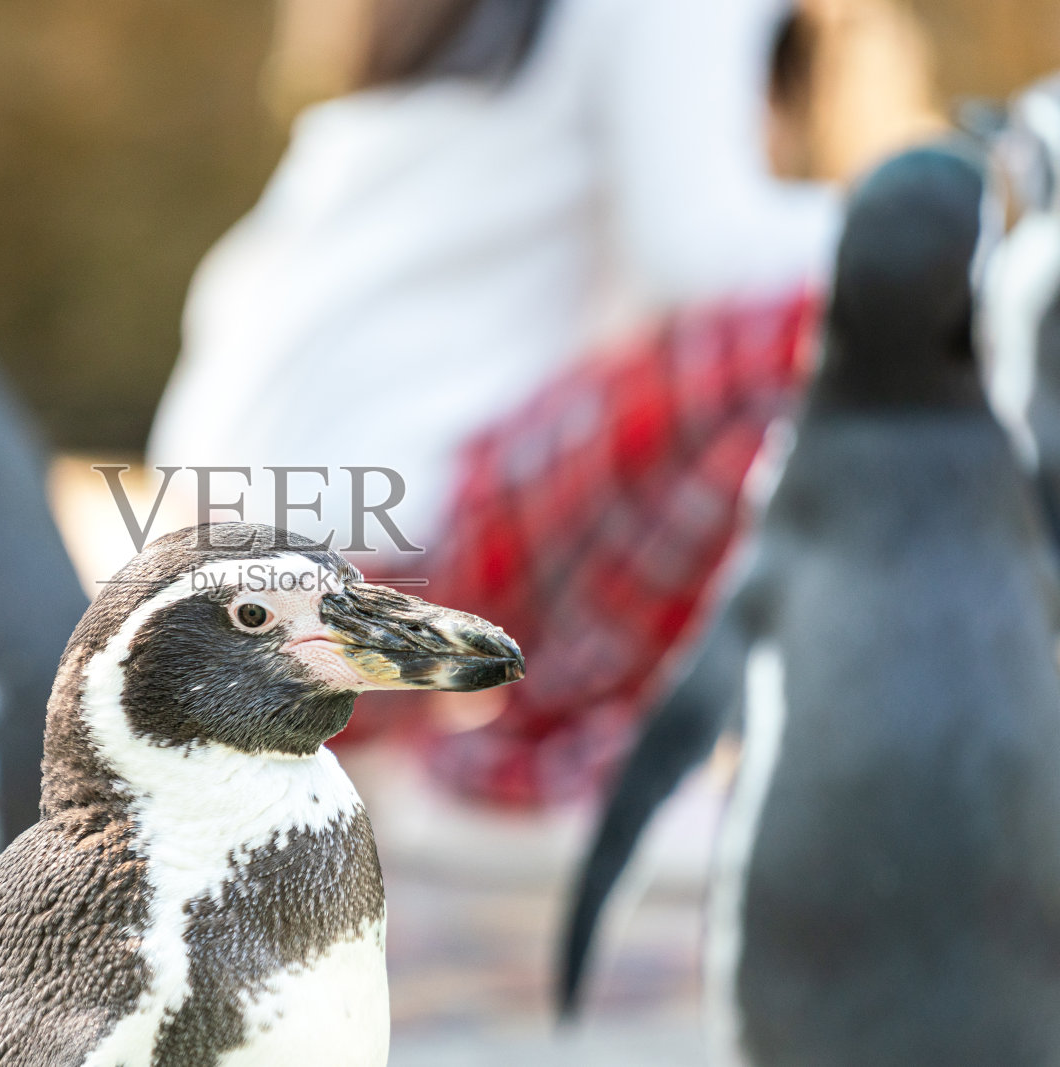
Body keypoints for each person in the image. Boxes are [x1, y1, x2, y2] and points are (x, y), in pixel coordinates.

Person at [148, 0, 838, 806]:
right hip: (379, 552)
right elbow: (698, 257)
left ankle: (431, 746)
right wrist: (943, 212)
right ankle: (547, 770)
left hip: (217, 568)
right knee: (782, 338)